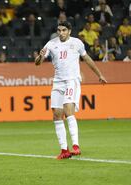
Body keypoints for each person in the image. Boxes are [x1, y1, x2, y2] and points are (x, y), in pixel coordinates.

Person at [35, 21, 107, 159]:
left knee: (68, 110)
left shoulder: (77, 43)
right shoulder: (51, 44)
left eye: (63, 30)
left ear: (69, 31)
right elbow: (38, 63)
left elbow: (87, 59)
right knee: (56, 115)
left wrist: (99, 74)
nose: (61, 33)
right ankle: (64, 150)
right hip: (58, 82)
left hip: (71, 81)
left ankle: (75, 146)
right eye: (59, 30)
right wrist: (40, 56)